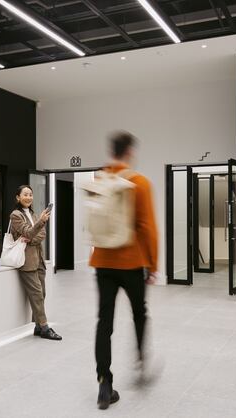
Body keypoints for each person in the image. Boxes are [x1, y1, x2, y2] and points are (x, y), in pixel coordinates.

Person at [89, 131, 158, 410]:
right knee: (139, 312)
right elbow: (148, 227)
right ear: (129, 151)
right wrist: (152, 265)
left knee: (104, 321)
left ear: (111, 150)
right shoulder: (139, 182)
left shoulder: (99, 179)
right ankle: (141, 363)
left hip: (102, 262)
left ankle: (104, 383)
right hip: (131, 262)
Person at [10, 185, 62, 341]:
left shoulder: (33, 214)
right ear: (18, 197)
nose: (29, 197)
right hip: (26, 262)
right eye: (25, 194)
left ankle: (38, 327)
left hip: (38, 259)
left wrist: (33, 236)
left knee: (42, 293)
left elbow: (41, 234)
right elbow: (27, 232)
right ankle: (45, 327)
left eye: (31, 194)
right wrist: (39, 224)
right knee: (37, 294)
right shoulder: (16, 215)